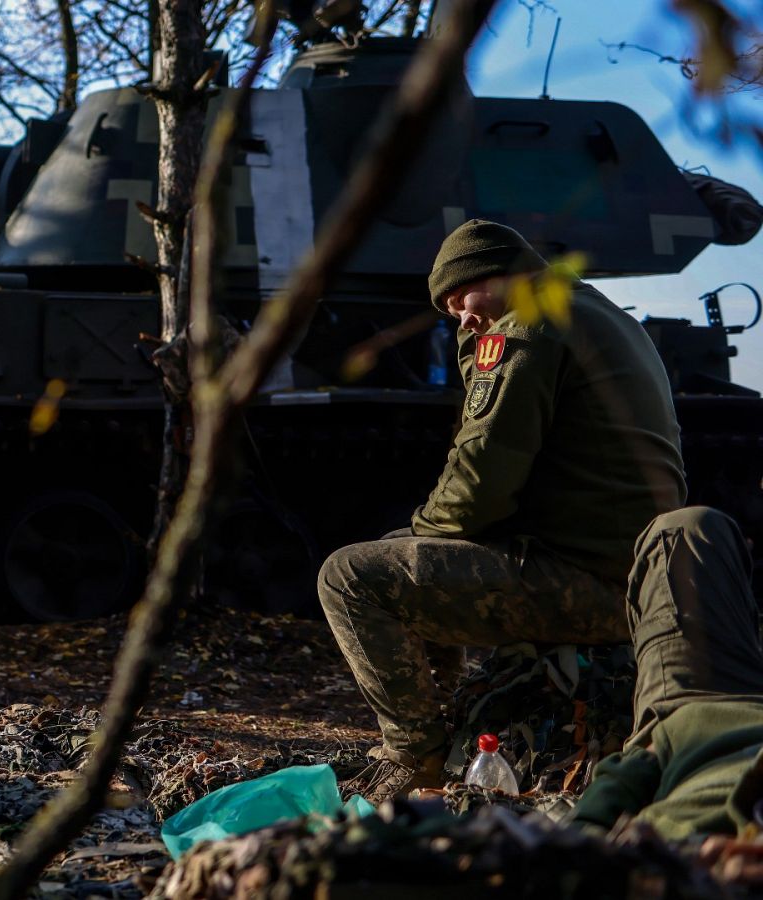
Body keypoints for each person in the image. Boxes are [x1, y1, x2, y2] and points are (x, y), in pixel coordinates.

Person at [318, 219, 688, 804]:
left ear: (499, 274)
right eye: (448, 312)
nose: (461, 318)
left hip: (593, 587)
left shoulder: (528, 326)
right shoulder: (599, 312)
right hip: (635, 577)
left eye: (461, 299)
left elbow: (479, 484)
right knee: (414, 553)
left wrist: (416, 534)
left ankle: (416, 756)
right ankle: (446, 725)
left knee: (349, 577)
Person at [572, 506, 763, 845]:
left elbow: (577, 845)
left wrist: (643, 757)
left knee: (685, 532)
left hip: (691, 715)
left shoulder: (674, 863)